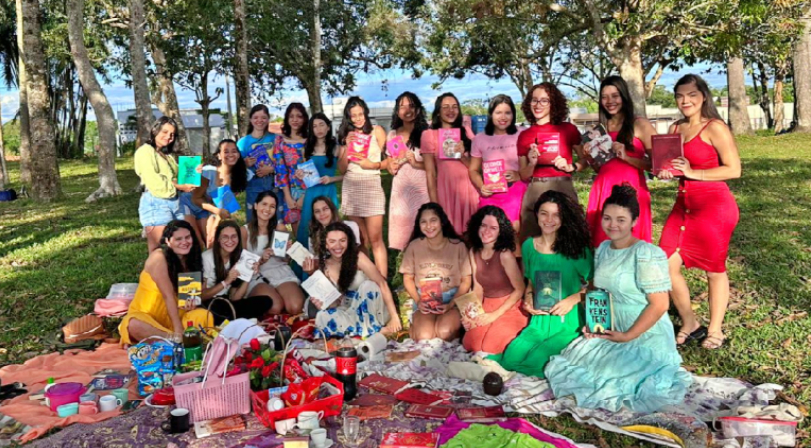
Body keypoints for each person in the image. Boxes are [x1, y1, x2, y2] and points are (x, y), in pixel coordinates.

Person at [545, 184, 692, 412]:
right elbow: (597, 290)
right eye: (607, 218)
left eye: (621, 220)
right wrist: (594, 323)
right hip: (611, 325)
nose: (612, 225)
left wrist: (627, 336)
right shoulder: (604, 248)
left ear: (634, 221)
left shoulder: (646, 253)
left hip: (643, 332)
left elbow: (660, 304)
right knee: (576, 366)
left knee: (616, 382)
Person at [658, 74, 741, 349]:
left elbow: (733, 169)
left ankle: (715, 330)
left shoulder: (714, 127)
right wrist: (664, 171)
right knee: (665, 264)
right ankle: (690, 322)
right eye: (680, 95)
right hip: (683, 205)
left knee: (714, 269)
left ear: (703, 96)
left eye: (692, 94)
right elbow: (670, 165)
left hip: (714, 207)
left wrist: (693, 172)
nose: (685, 100)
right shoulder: (675, 128)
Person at [488, 191, 592, 377]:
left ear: (564, 218)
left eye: (556, 215)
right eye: (544, 213)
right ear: (536, 215)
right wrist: (528, 299)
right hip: (539, 321)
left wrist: (574, 299)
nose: (549, 220)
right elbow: (530, 282)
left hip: (567, 323)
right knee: (509, 360)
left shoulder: (577, 249)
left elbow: (597, 285)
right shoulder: (529, 246)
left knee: (536, 364)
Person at [581, 76, 656, 247]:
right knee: (602, 244)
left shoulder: (640, 125)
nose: (610, 101)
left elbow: (657, 165)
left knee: (630, 246)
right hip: (603, 190)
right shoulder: (599, 130)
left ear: (624, 96)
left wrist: (627, 157)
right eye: (604, 97)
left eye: (615, 96)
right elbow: (600, 168)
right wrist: (590, 157)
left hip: (632, 190)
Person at [119, 220, 213, 344]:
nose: (184, 242)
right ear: (168, 241)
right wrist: (178, 331)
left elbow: (187, 297)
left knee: (204, 315)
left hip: (176, 317)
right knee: (133, 324)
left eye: (187, 237)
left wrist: (190, 306)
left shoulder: (191, 258)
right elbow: (167, 296)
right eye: (178, 239)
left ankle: (175, 340)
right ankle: (176, 340)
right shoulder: (158, 257)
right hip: (148, 318)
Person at [309, 222, 401, 338]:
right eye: (332, 241)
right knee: (322, 316)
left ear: (348, 241)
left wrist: (394, 317)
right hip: (349, 310)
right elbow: (336, 303)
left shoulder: (358, 257)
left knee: (368, 285)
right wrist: (323, 304)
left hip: (372, 308)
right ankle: (363, 331)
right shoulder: (324, 266)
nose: (338, 246)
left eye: (342, 240)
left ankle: (367, 329)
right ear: (326, 244)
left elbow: (382, 284)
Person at [517, 83, 582, 240]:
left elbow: (585, 159)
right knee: (531, 241)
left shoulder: (568, 129)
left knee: (570, 239)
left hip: (563, 187)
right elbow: (523, 175)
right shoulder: (524, 135)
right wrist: (532, 163)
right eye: (534, 100)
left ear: (554, 103)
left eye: (544, 100)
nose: (538, 105)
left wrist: (571, 166)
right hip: (536, 189)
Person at [400, 203, 471, 342]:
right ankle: (415, 327)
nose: (429, 226)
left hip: (453, 297)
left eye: (433, 220)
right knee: (424, 336)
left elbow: (466, 281)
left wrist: (451, 304)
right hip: (425, 299)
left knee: (445, 333)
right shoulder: (414, 246)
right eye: (423, 222)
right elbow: (408, 278)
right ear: (419, 225)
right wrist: (418, 301)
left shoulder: (458, 246)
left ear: (442, 222)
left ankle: (457, 327)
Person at [462, 206, 528, 353]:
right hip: (486, 304)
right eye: (483, 225)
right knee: (471, 344)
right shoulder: (473, 251)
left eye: (493, 228)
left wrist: (494, 315)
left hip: (509, 306)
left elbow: (520, 289)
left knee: (490, 347)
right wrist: (470, 314)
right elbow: (477, 288)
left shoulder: (505, 254)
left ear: (500, 231)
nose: (486, 231)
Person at [337, 96, 390, 277]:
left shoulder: (377, 131)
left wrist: (373, 165)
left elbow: (390, 161)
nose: (358, 118)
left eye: (361, 114)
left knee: (376, 239)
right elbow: (342, 169)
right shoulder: (347, 135)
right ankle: (368, 279)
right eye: (354, 116)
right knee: (360, 239)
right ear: (349, 117)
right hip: (352, 187)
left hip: (372, 186)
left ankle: (382, 282)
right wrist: (347, 145)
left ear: (366, 113)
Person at [468, 95, 526, 252]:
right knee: (488, 234)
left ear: (513, 114)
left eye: (508, 112)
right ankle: (492, 266)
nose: (503, 117)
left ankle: (517, 266)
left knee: (515, 231)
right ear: (491, 114)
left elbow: (532, 164)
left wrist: (519, 175)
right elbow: (473, 170)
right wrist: (481, 186)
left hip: (516, 191)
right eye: (498, 112)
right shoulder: (480, 139)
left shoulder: (522, 133)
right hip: (491, 193)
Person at [421, 93, 480, 236]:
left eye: (454, 107)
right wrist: (434, 204)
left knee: (472, 235)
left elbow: (476, 167)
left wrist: (462, 156)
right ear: (438, 111)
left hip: (469, 190)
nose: (451, 110)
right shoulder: (429, 135)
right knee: (450, 236)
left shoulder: (466, 133)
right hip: (446, 191)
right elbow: (430, 173)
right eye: (446, 107)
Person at [135, 117, 195, 253]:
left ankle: (179, 268)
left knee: (181, 246)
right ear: (155, 130)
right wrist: (178, 186)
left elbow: (179, 175)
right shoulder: (145, 152)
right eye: (165, 132)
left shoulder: (166, 155)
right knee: (159, 250)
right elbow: (154, 181)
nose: (169, 137)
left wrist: (193, 170)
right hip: (156, 203)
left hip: (175, 202)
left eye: (172, 134)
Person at [241, 191, 306, 315]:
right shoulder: (244, 231)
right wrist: (261, 260)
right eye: (264, 204)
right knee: (274, 307)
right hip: (256, 276)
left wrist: (287, 253)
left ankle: (281, 295)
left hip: (279, 271)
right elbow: (242, 265)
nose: (267, 209)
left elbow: (285, 260)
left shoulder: (279, 228)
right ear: (255, 206)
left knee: (295, 306)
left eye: (272, 206)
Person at [201, 221, 274, 324]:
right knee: (217, 312)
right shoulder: (207, 258)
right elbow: (201, 296)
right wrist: (226, 281)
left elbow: (235, 297)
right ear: (218, 239)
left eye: (234, 236)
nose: (230, 241)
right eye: (225, 237)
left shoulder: (239, 257)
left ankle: (233, 321)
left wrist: (249, 275)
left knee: (266, 301)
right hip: (209, 303)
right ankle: (238, 320)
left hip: (227, 303)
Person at [180, 139, 249, 248]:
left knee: (211, 240)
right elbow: (196, 198)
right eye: (226, 151)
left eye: (234, 151)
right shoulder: (209, 172)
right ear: (219, 156)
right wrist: (217, 211)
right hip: (190, 203)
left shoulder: (239, 176)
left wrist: (216, 221)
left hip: (207, 208)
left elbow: (224, 204)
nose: (231, 154)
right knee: (196, 243)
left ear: (238, 154)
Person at [387, 92, 431, 251]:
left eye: (411, 106)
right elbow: (389, 161)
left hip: (423, 189)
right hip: (401, 190)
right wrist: (390, 166)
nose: (407, 110)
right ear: (397, 111)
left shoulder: (427, 133)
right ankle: (406, 262)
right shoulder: (392, 134)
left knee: (425, 232)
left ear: (418, 109)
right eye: (402, 106)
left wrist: (416, 163)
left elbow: (437, 166)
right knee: (403, 236)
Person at [298, 113, 343, 249]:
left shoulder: (337, 148)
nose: (318, 129)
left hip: (328, 192)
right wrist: (300, 175)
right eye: (314, 126)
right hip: (311, 193)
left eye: (321, 125)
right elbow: (306, 174)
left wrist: (331, 179)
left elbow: (346, 175)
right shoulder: (305, 149)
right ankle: (306, 260)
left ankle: (332, 256)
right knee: (308, 226)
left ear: (328, 127)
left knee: (330, 227)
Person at [274, 103, 309, 234]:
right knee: (299, 233)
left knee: (315, 232)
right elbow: (281, 170)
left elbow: (315, 169)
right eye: (291, 116)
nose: (295, 120)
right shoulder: (280, 141)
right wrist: (288, 197)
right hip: (291, 192)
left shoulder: (311, 140)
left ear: (304, 118)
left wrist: (305, 196)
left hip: (310, 189)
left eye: (299, 116)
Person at [237, 104, 277, 221]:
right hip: (253, 188)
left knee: (275, 221)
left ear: (268, 119)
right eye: (255, 117)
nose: (259, 120)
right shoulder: (243, 142)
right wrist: (244, 164)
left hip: (274, 186)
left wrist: (272, 169)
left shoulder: (276, 139)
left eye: (263, 117)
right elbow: (234, 167)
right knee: (253, 221)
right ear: (250, 119)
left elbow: (286, 162)